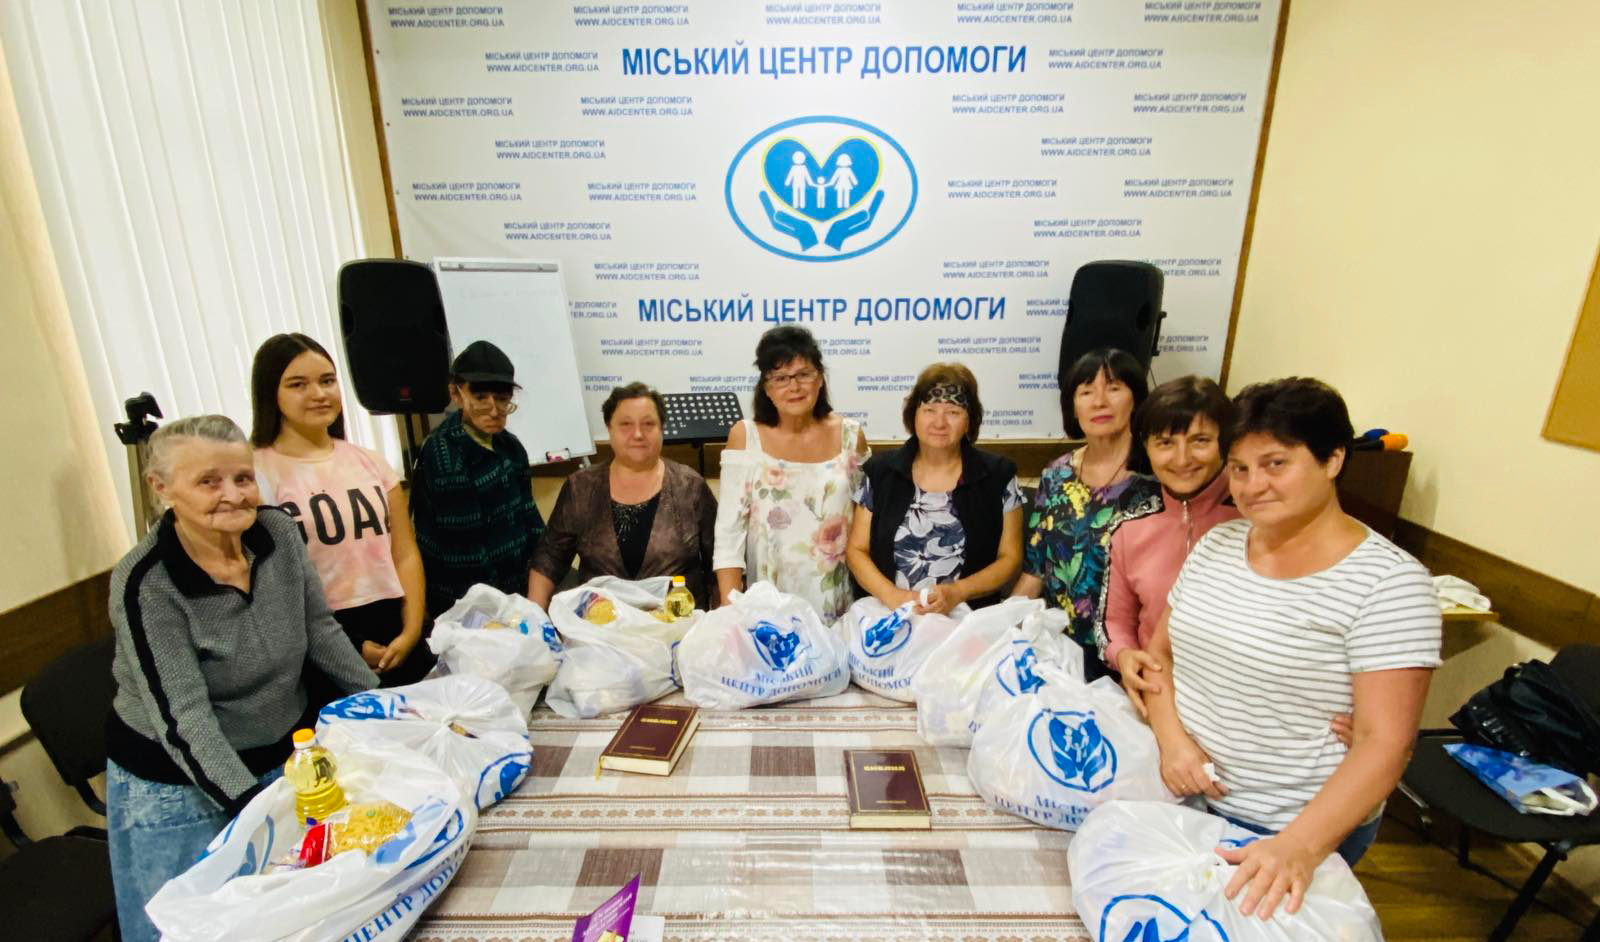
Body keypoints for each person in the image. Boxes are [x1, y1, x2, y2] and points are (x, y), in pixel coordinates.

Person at [1143, 377, 1441, 919]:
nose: (1253, 484)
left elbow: (1384, 743)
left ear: (1332, 460)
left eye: (1275, 463)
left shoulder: (1389, 584)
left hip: (1288, 827)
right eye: (1239, 468)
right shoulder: (1218, 544)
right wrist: (1173, 743)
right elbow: (1158, 657)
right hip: (1186, 793)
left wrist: (1297, 847)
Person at [107, 415, 378, 942]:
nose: (232, 495)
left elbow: (319, 630)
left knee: (283, 914)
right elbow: (184, 720)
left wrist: (383, 707)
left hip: (279, 757)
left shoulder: (277, 531)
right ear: (161, 488)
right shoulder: (148, 584)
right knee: (185, 927)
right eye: (208, 482)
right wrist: (250, 807)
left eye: (242, 477)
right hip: (175, 779)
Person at [250, 333, 429, 686]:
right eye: (298, 384)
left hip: (392, 620)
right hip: (317, 632)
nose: (319, 394)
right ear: (271, 392)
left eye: (327, 381)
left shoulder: (370, 462)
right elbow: (268, 584)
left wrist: (411, 629)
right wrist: (349, 645)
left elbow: (404, 554)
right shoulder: (254, 474)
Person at [1013, 348, 1159, 679]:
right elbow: (1035, 573)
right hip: (1057, 651)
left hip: (1133, 657)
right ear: (1072, 406)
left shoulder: (1157, 478)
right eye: (1086, 391)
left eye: (1114, 387)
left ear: (1136, 398)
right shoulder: (1056, 475)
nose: (1099, 401)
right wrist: (1003, 628)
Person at [713, 325, 869, 622]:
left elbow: (865, 528)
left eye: (803, 374)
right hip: (767, 605)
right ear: (767, 387)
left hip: (837, 604)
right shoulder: (746, 437)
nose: (794, 387)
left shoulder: (851, 436)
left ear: (820, 378)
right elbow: (728, 533)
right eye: (781, 378)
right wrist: (730, 610)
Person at [1101, 376, 1239, 700]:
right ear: (1145, 447)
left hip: (1237, 707)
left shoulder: (1254, 518)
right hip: (1155, 694)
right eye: (1165, 443)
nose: (1182, 458)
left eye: (1200, 440)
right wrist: (1123, 655)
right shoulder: (1129, 525)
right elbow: (1112, 622)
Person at [846, 362, 1023, 613]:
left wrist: (957, 593)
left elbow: (1011, 558)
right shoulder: (880, 472)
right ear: (913, 415)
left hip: (969, 621)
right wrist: (894, 597)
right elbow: (856, 550)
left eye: (953, 412)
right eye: (929, 410)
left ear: (969, 420)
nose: (939, 423)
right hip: (889, 614)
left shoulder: (999, 476)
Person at [529, 382, 718, 608]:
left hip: (679, 630)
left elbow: (721, 562)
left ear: (662, 429)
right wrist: (535, 618)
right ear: (609, 429)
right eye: (626, 424)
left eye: (648, 424)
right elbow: (549, 560)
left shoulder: (690, 486)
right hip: (599, 629)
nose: (637, 434)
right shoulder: (580, 487)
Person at [410, 340, 546, 619]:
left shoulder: (511, 446)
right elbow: (467, 555)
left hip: (515, 595)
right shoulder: (444, 455)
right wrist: (502, 612)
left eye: (502, 398)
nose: (494, 410)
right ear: (456, 394)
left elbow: (530, 518)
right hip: (467, 603)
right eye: (481, 397)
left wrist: (540, 583)